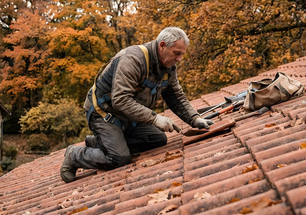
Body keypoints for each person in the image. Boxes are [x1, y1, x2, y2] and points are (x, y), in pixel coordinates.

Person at [60, 27, 214, 183]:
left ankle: (101, 142)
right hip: (104, 113)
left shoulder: (168, 68)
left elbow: (176, 97)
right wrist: (154, 119)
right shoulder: (132, 59)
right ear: (162, 46)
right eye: (177, 53)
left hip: (129, 115)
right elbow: (120, 99)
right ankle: (75, 155)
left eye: (182, 54)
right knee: (118, 158)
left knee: (157, 139)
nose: (179, 59)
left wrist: (195, 119)